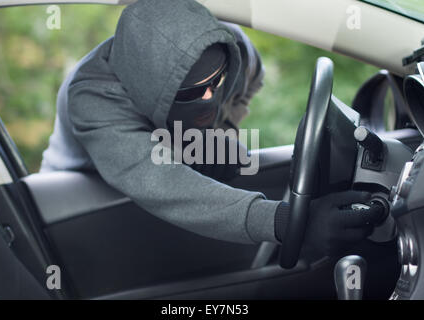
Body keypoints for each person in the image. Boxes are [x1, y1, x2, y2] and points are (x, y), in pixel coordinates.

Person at [40, 0, 383, 257]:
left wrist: (223, 127)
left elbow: (250, 78)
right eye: (191, 92)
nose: (209, 95)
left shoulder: (226, 47)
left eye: (217, 81)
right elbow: (158, 180)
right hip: (83, 188)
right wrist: (290, 222)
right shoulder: (92, 97)